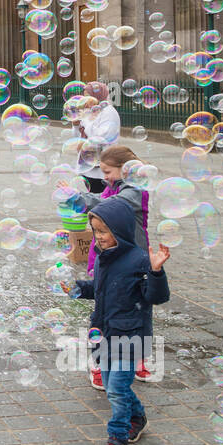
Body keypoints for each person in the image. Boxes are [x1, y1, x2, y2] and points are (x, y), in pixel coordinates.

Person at [74, 198, 170, 445]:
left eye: (103, 231)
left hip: (131, 336)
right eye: (95, 231)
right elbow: (101, 289)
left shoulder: (140, 259)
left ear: (121, 229)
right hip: (104, 332)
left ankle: (118, 440)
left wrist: (156, 271)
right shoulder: (105, 258)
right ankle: (137, 418)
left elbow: (157, 296)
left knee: (116, 387)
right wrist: (79, 289)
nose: (98, 237)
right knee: (114, 385)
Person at [76, 144, 153, 389]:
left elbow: (107, 206)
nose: (104, 177)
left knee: (140, 310)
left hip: (134, 263)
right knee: (104, 311)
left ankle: (138, 357)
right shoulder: (114, 188)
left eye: (108, 171)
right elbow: (101, 200)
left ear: (126, 170)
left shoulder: (134, 192)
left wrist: (78, 198)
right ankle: (98, 361)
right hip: (108, 260)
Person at [76, 82, 120, 194]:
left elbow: (102, 136)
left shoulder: (109, 112)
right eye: (85, 96)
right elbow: (79, 137)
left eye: (88, 96)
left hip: (100, 168)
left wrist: (85, 121)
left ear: (98, 95)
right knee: (93, 195)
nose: (86, 100)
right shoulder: (92, 111)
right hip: (87, 165)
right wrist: (76, 125)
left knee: (100, 198)